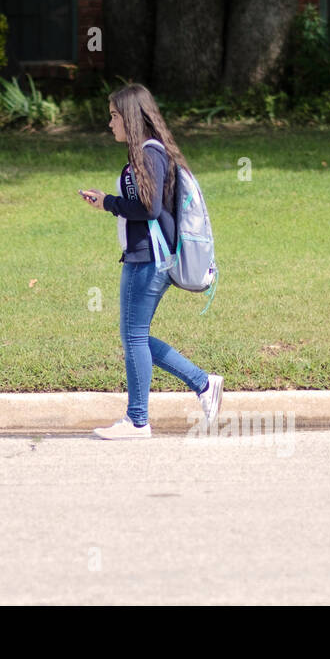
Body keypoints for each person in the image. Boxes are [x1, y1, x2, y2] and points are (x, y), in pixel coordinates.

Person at [78, 83, 222, 440]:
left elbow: (149, 207)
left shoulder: (149, 153)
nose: (109, 123)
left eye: (113, 116)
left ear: (130, 117)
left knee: (134, 337)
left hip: (148, 259)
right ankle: (203, 385)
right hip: (145, 256)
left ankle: (139, 420)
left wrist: (108, 202)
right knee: (135, 337)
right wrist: (108, 202)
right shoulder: (147, 152)